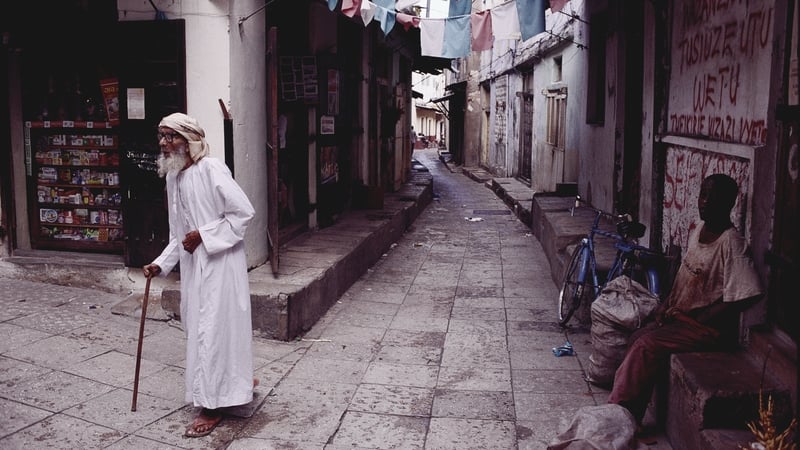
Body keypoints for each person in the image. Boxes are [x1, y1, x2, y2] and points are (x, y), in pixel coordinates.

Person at [607, 174, 763, 434]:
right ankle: (627, 412)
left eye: (714, 198)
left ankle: (619, 415)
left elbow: (750, 293)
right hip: (680, 318)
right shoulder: (699, 230)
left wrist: (706, 316)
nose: (705, 202)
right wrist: (665, 304)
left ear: (729, 204)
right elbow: (685, 276)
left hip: (706, 330)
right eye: (703, 195)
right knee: (637, 336)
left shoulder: (731, 242)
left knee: (646, 346)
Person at [142, 112, 256, 438]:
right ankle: (233, 386)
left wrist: (205, 235)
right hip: (195, 267)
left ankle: (212, 405)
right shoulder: (173, 177)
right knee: (201, 327)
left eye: (170, 136)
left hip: (221, 264)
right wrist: (161, 264)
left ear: (189, 139)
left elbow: (242, 212)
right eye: (161, 136)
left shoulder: (211, 169)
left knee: (215, 330)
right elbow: (177, 233)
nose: (164, 144)